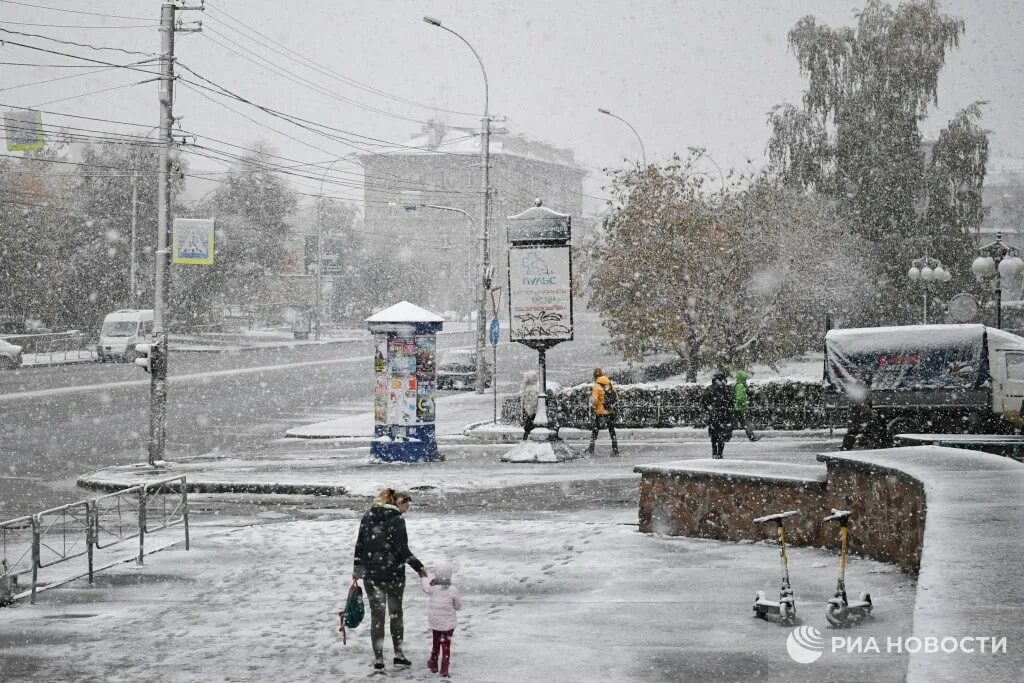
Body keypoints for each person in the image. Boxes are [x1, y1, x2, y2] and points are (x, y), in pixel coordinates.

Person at [353, 488, 427, 672]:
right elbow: (402, 549)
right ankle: (398, 655)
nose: (407, 509)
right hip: (393, 575)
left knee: (377, 618)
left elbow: (360, 544)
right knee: (396, 615)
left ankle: (378, 659)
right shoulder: (396, 520)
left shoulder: (368, 515)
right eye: (406, 505)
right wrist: (419, 567)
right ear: (397, 502)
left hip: (371, 575)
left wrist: (357, 569)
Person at [420, 560, 462, 678]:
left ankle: (433, 664)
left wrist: (423, 576)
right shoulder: (453, 590)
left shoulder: (432, 589)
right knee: (446, 646)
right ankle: (444, 669)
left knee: (435, 644)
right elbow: (458, 606)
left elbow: (425, 586)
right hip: (448, 626)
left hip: (436, 623)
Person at [587, 368, 620, 456]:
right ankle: (615, 449)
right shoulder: (610, 384)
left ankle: (591, 448)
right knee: (612, 430)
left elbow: (594, 400)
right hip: (610, 411)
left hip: (601, 412)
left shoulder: (597, 386)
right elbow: (616, 397)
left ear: (595, 376)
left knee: (595, 430)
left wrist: (595, 406)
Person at [841, 370, 876, 451]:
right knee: (853, 432)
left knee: (855, 431)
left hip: (857, 414)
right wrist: (870, 412)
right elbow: (861, 402)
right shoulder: (861, 388)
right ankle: (845, 450)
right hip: (857, 415)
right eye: (870, 377)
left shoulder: (860, 386)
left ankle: (846, 449)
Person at [703, 370, 734, 458]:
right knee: (722, 434)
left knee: (714, 434)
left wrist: (709, 408)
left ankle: (714, 452)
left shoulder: (710, 389)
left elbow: (704, 402)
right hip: (723, 414)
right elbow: (731, 401)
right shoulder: (726, 389)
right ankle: (720, 453)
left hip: (713, 415)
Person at [734, 370, 761, 442]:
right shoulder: (740, 385)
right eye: (745, 378)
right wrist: (745, 403)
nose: (746, 379)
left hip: (739, 408)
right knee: (745, 423)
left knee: (743, 423)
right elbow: (740, 397)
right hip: (741, 408)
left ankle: (752, 437)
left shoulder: (740, 385)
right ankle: (752, 437)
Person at [520, 370, 540, 441]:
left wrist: (529, 413)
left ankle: (526, 443)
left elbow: (532, 402)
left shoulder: (533, 389)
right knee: (529, 429)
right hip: (531, 413)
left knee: (528, 429)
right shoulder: (530, 388)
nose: (524, 380)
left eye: (526, 378)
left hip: (532, 413)